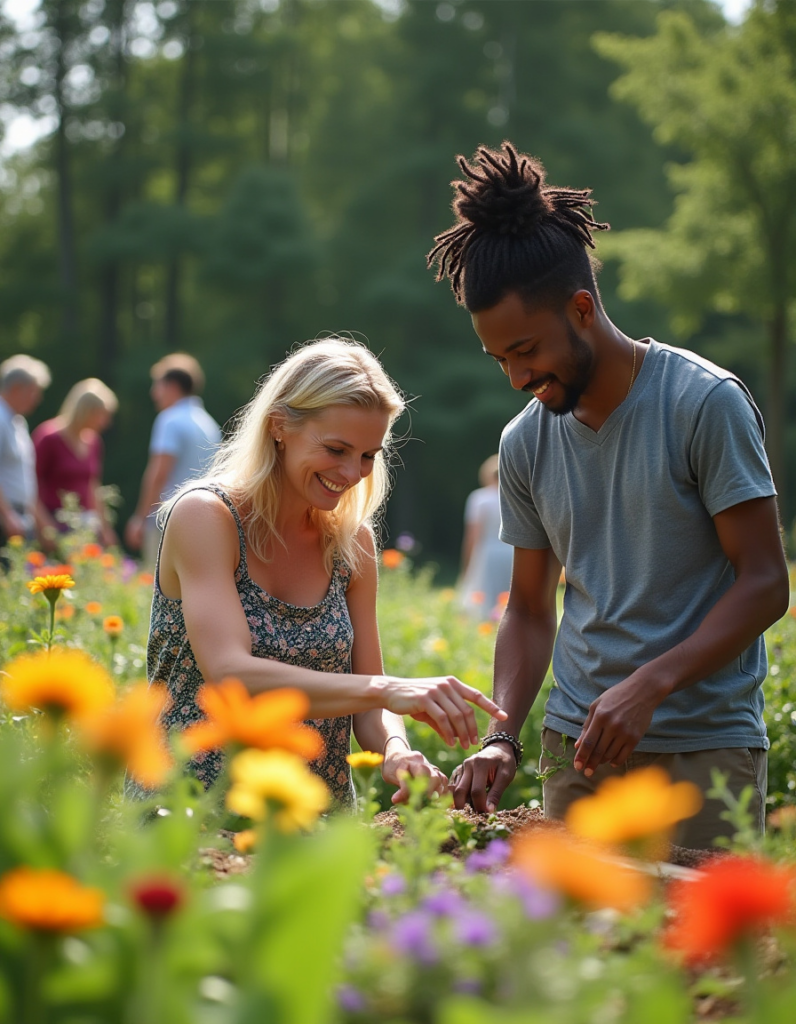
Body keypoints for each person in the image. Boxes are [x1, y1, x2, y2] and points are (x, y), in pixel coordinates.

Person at [427, 142, 789, 849]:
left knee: (699, 959)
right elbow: (530, 609)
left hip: (703, 754)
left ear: (583, 308)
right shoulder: (524, 442)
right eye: (500, 358)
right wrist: (503, 736)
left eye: (527, 350)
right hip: (577, 757)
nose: (515, 376)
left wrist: (650, 685)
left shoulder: (703, 403)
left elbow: (766, 583)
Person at [147, 338, 506, 805]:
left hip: (316, 818)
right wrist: (387, 689)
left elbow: (369, 703)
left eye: (367, 455)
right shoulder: (205, 517)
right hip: (196, 813)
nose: (353, 472)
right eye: (336, 448)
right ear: (279, 426)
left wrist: (397, 749)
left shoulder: (351, 543)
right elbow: (231, 674)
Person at [125, 353, 221, 564]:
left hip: (167, 521)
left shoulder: (170, 420)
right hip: (204, 523)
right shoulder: (209, 424)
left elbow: (159, 474)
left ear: (172, 386)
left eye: (157, 385)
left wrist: (140, 518)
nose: (153, 393)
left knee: (158, 588)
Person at [33, 378, 119, 547]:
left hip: (85, 524)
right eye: (102, 415)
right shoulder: (49, 437)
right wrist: (46, 526)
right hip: (54, 520)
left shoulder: (94, 441)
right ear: (86, 411)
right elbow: (30, 485)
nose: (106, 422)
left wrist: (105, 528)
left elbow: (92, 485)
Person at [0, 355, 51, 548]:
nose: (37, 399)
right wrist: (7, 516)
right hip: (7, 518)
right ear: (15, 389)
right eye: (33, 392)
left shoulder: (18, 422)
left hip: (20, 517)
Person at [458, 454, 513, 619]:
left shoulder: (479, 498)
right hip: (512, 552)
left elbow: (473, 536)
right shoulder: (515, 499)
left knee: (484, 601)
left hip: (488, 553)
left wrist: (466, 566)